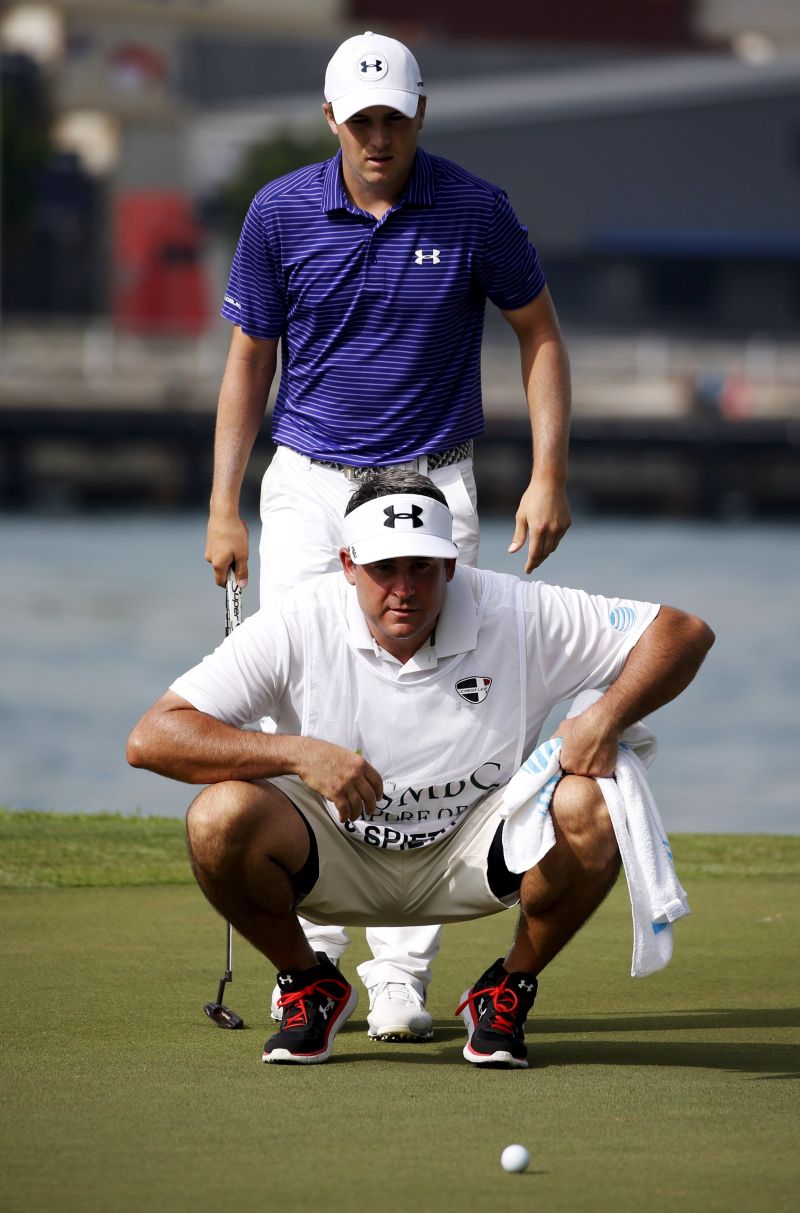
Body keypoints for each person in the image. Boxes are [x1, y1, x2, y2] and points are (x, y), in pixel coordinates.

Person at [202, 30, 572, 1039]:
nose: (377, 136)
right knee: (297, 690)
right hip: (310, 485)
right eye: (360, 120)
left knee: (426, 708)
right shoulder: (279, 211)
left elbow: (537, 333)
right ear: (331, 119)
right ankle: (311, 955)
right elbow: (247, 361)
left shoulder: (473, 208)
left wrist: (545, 476)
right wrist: (223, 502)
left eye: (393, 119)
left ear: (418, 116)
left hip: (430, 481)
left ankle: (401, 967)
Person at [129, 470, 714, 1067]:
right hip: (332, 856)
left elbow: (682, 632)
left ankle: (507, 988)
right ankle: (308, 983)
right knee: (219, 815)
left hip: (478, 853)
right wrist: (298, 753)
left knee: (592, 802)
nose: (403, 589)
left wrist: (604, 718)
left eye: (422, 567)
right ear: (349, 565)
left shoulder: (516, 610)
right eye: (384, 568)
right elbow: (152, 737)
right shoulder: (298, 620)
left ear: (451, 567)